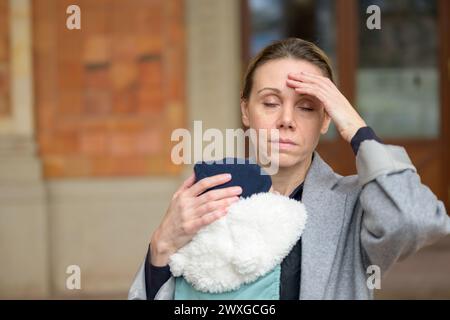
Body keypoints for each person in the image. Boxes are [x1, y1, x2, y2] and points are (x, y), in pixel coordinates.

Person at [129, 38, 450, 300]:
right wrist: (161, 245)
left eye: (308, 107)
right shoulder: (207, 196)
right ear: (245, 110)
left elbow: (415, 221)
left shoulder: (356, 206)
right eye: (270, 103)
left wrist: (354, 126)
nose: (286, 119)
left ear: (326, 119)